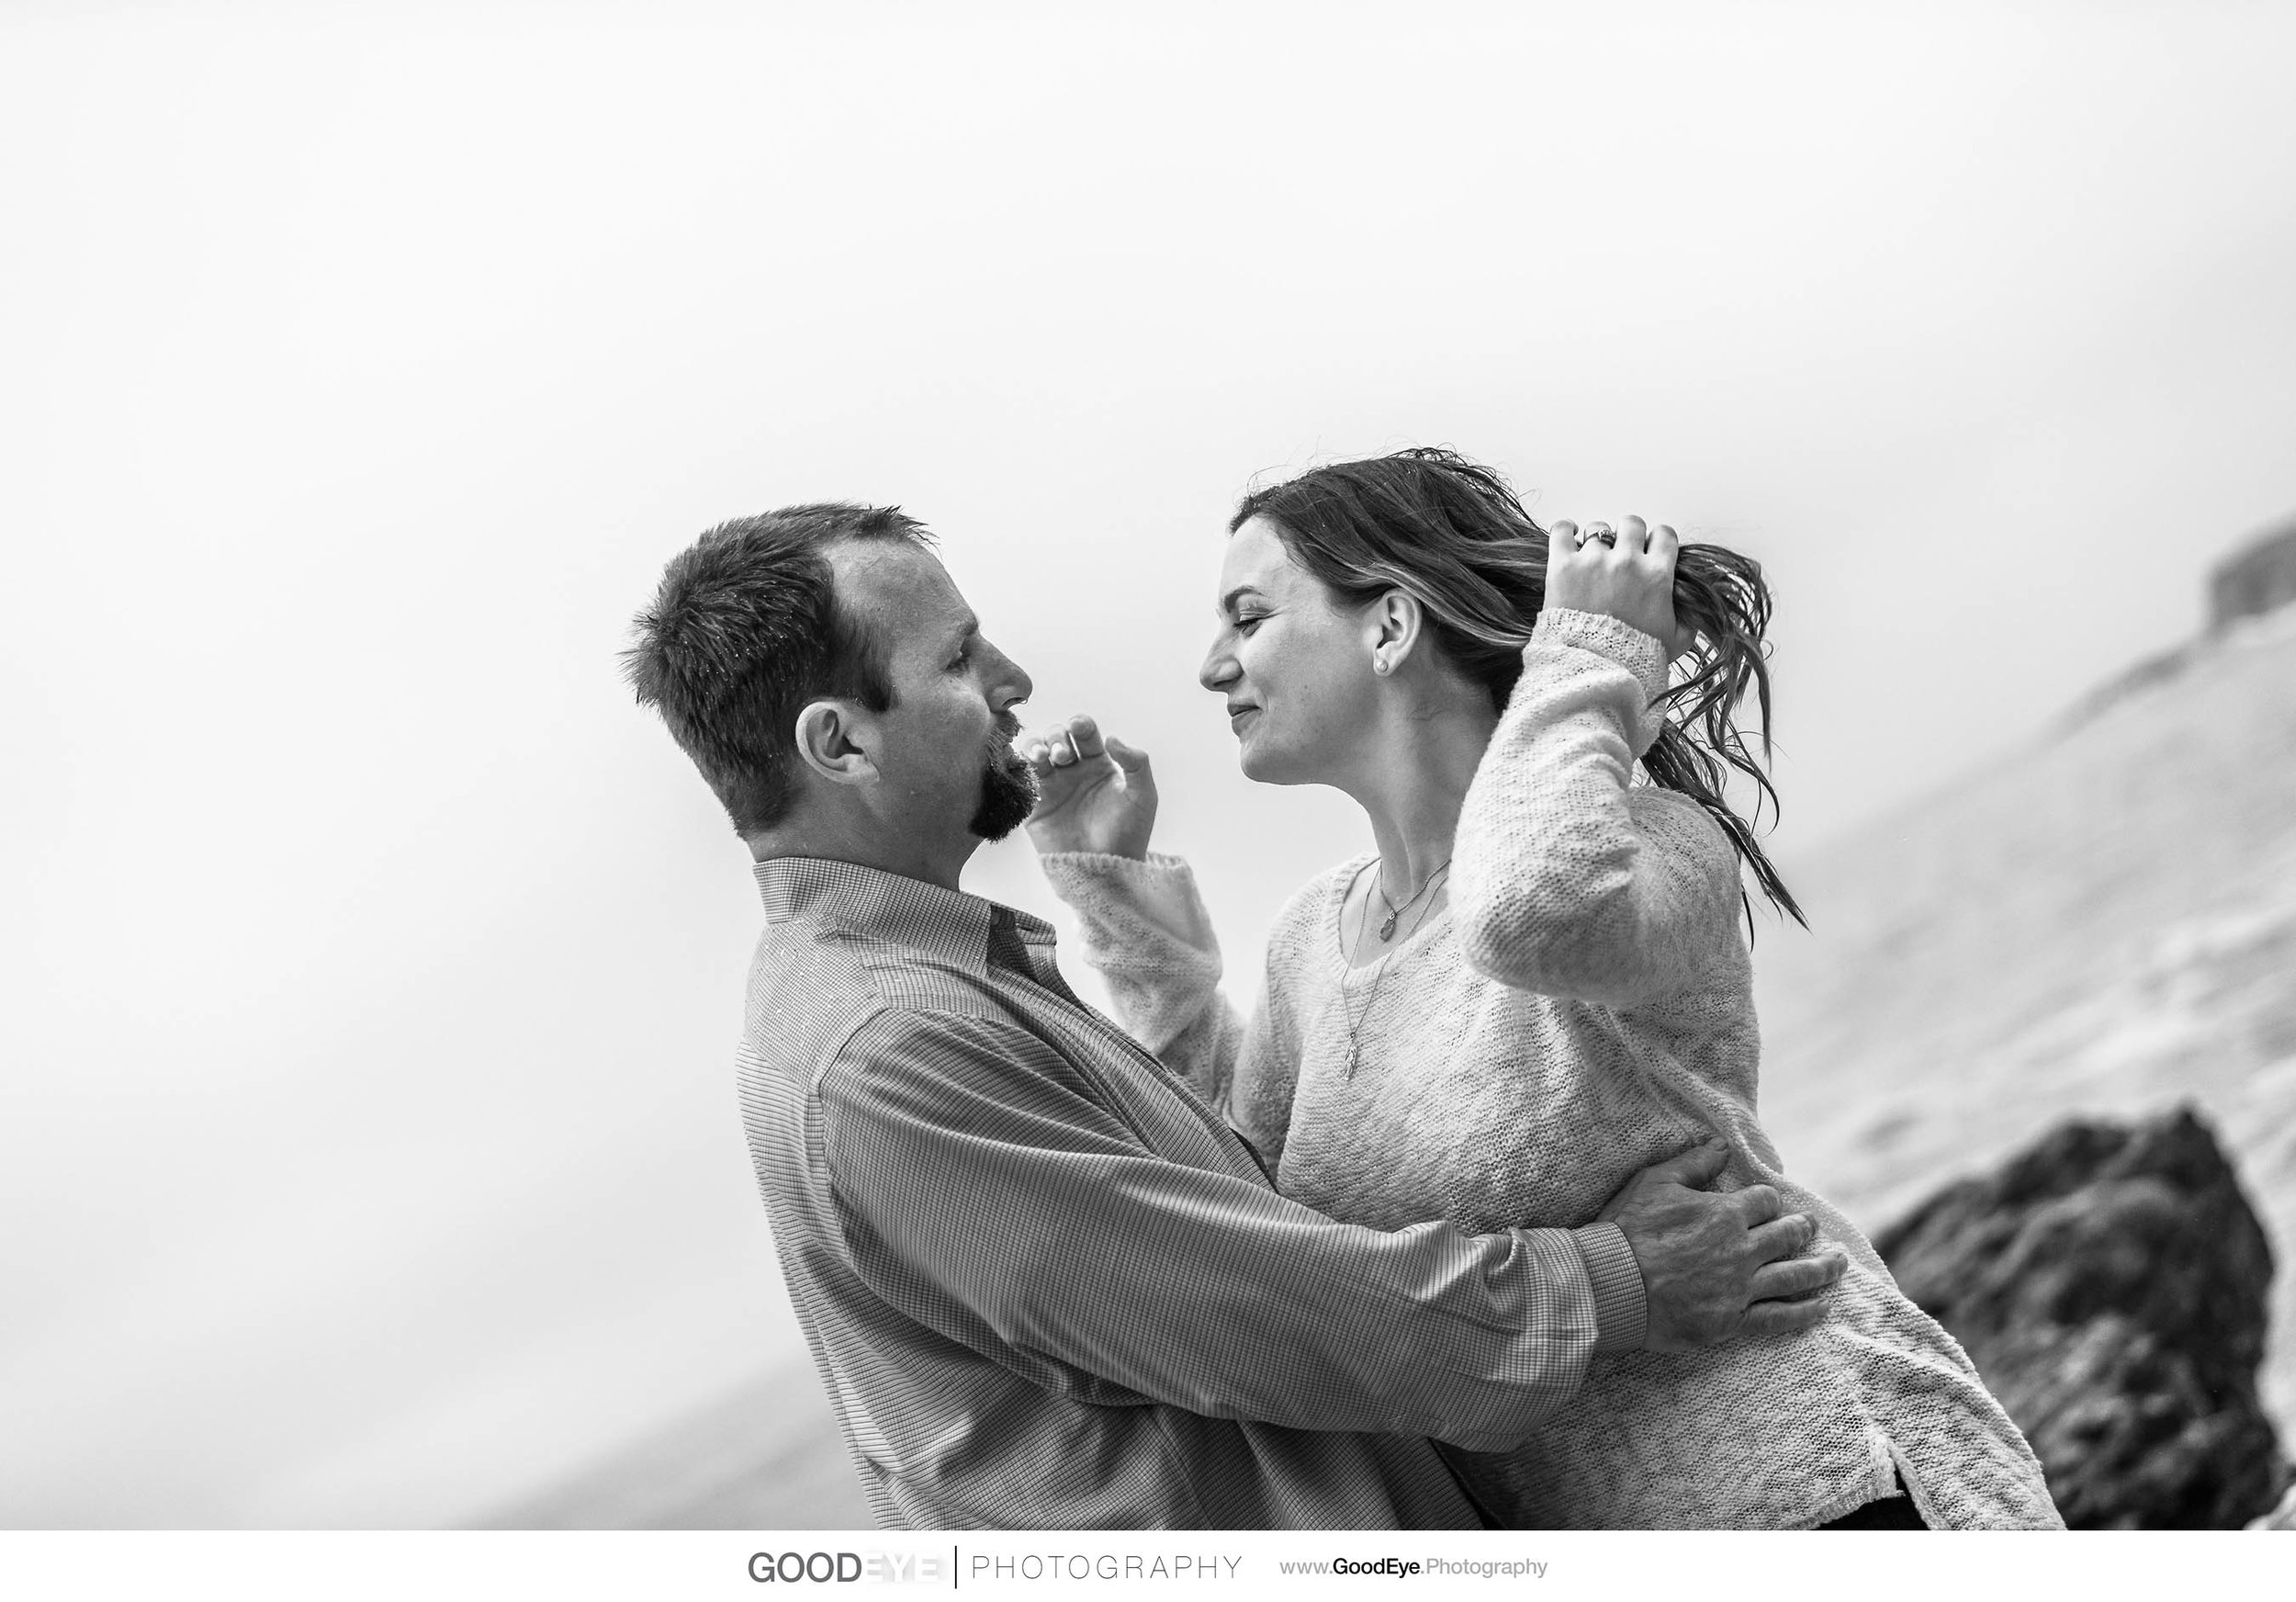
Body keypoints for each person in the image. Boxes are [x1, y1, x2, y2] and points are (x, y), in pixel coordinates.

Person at [623, 500, 1849, 1529]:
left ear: (1395, 626)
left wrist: (1111, 892)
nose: (1013, 683)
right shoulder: (886, 1047)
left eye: (1250, 616)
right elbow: (1255, 1302)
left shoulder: (935, 990)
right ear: (838, 744)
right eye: (955, 659)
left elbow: (1233, 1195)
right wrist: (1617, 1280)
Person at [1021, 449, 2064, 1530]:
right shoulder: (1306, 945)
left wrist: (1590, 654)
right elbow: (1244, 1208)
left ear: (1389, 626)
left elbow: (1529, 912)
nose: (1210, 666)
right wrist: (1108, 891)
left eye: (1249, 617)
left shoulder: (1648, 844)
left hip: (1824, 1494)